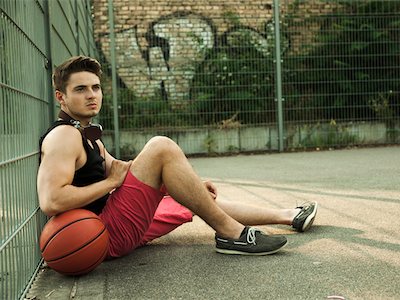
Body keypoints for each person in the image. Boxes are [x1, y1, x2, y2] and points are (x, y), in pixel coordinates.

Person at [37, 55, 318, 258]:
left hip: (107, 224)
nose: (91, 95)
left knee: (195, 197)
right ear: (61, 97)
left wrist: (184, 182)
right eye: (81, 89)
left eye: (95, 87)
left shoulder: (85, 132)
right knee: (161, 146)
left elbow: (123, 170)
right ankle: (232, 236)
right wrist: (109, 183)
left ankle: (288, 216)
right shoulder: (64, 136)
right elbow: (52, 200)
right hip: (96, 234)